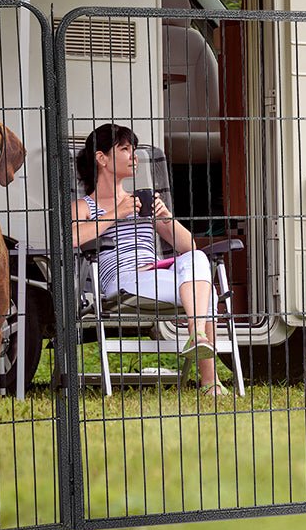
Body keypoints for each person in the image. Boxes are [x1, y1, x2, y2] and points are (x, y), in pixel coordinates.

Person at [70, 123, 227, 396]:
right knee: (207, 295)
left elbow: (187, 245)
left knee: (198, 257)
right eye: (125, 149)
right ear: (101, 158)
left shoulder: (141, 201)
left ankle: (197, 334)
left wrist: (166, 217)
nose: (134, 156)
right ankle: (209, 380)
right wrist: (116, 213)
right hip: (123, 282)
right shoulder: (84, 206)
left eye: (133, 149)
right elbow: (72, 238)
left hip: (160, 273)